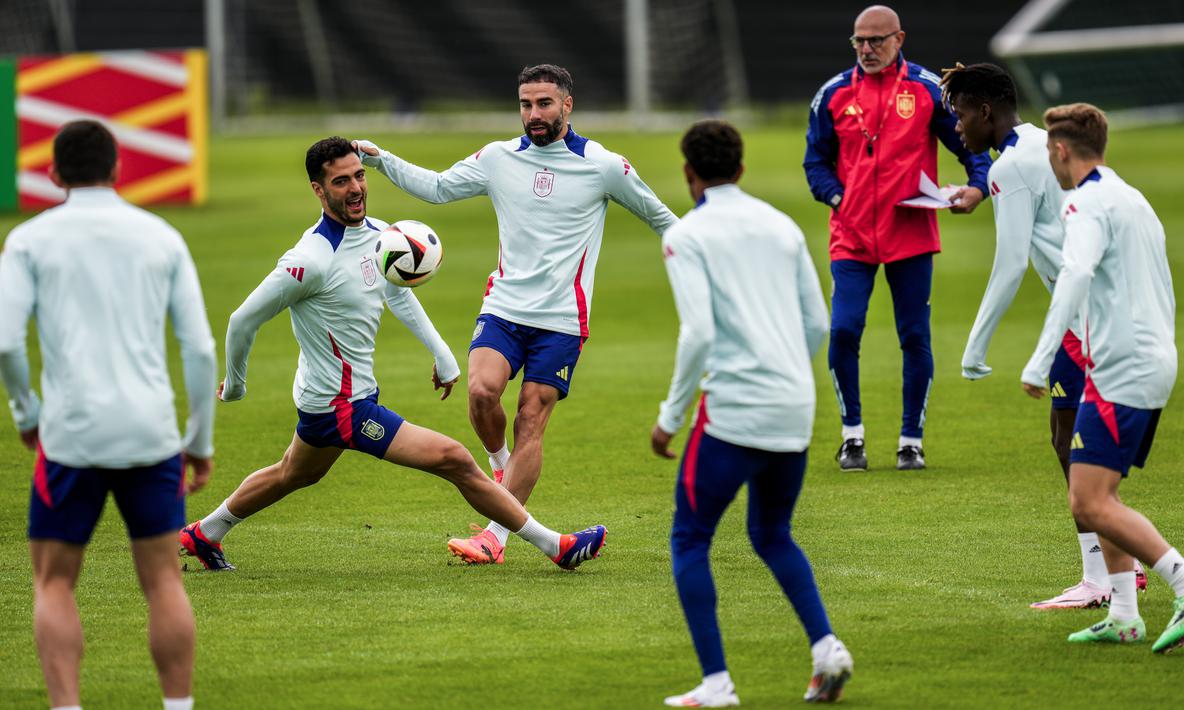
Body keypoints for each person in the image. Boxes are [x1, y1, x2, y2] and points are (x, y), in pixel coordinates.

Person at [178, 136, 606, 574]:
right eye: (341, 181)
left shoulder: (379, 236)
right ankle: (557, 546)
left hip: (335, 397)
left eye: (359, 176)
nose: (356, 188)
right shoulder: (310, 259)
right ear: (318, 190)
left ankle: (203, 534)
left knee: (294, 473)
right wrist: (235, 383)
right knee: (455, 458)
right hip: (341, 407)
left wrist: (441, 354)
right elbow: (241, 319)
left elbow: (395, 292)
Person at [353, 63, 677, 565]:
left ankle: (494, 536)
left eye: (544, 103)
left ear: (567, 105)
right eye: (526, 104)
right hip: (503, 308)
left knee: (531, 417)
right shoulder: (498, 158)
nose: (534, 114)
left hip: (563, 321)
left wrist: (706, 254)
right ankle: (502, 467)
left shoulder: (604, 165)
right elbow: (438, 188)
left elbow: (660, 217)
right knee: (482, 393)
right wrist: (382, 160)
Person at [0, 120, 216, 710]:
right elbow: (199, 349)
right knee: (163, 581)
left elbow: (5, 343)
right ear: (118, 170)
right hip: (150, 434)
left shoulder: (28, 240)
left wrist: (27, 414)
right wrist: (198, 439)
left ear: (54, 175)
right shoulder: (161, 236)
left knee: (54, 582)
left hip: (70, 437)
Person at [651, 120, 851, 707]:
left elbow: (698, 334)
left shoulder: (686, 235)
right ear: (741, 168)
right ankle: (825, 648)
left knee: (690, 538)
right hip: (794, 405)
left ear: (689, 173)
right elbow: (818, 322)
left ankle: (717, 683)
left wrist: (670, 415)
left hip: (733, 410)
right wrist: (785, 370)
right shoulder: (783, 227)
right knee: (771, 532)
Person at [941, 63, 1147, 608]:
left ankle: (1109, 575)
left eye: (960, 114)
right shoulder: (1037, 143)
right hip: (1096, 315)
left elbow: (1008, 265)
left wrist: (975, 345)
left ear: (985, 111)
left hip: (1082, 323)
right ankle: (1113, 570)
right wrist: (981, 190)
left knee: (1072, 447)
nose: (956, 128)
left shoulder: (1009, 165)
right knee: (1072, 443)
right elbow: (1019, 184)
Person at [1021, 103, 1184, 650]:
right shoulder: (1132, 198)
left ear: (1061, 150)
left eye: (1048, 149)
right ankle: (1124, 615)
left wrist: (1042, 358)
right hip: (1142, 358)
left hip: (1122, 368)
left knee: (1088, 500)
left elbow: (1077, 273)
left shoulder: (1084, 204)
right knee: (1099, 488)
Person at [804, 4, 991, 471]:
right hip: (852, 236)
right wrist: (837, 198)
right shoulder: (832, 94)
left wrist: (979, 186)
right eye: (859, 41)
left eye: (876, 41)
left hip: (911, 232)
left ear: (899, 39)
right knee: (844, 329)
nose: (866, 49)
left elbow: (973, 143)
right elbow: (815, 163)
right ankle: (852, 435)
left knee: (914, 336)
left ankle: (912, 438)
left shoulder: (928, 90)